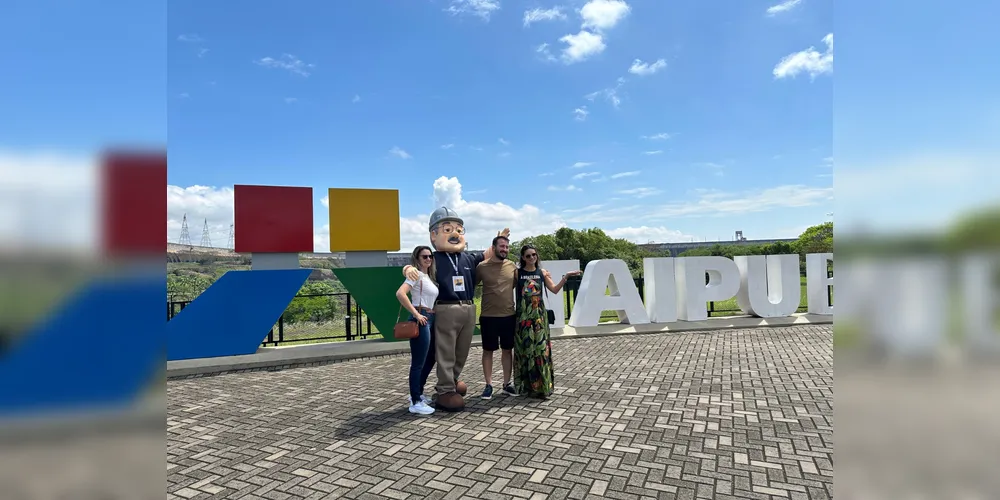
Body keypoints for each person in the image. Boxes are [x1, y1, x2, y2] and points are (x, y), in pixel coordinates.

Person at [402, 207, 508, 412]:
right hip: (445, 309)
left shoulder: (468, 258)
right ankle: (444, 390)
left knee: (462, 351)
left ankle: (452, 380)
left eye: (459, 229)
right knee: (446, 351)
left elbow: (488, 252)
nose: (455, 233)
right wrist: (407, 268)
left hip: (468, 308)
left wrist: (499, 240)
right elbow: (413, 266)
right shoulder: (432, 258)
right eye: (448, 228)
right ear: (433, 235)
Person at [513, 244, 581, 399]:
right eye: (528, 256)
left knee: (541, 350)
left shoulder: (542, 273)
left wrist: (567, 276)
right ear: (523, 258)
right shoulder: (517, 273)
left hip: (539, 318)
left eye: (534, 255)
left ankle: (542, 386)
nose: (532, 258)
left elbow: (555, 289)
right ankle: (528, 387)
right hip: (523, 318)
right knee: (526, 351)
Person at [395, 246, 440, 415]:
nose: (428, 259)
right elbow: (400, 293)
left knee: (431, 358)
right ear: (417, 259)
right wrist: (416, 314)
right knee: (418, 363)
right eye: (424, 257)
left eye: (430, 256)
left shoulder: (428, 276)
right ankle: (415, 401)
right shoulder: (416, 275)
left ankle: (418, 393)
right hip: (420, 318)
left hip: (429, 317)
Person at [474, 235, 518, 400]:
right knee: (488, 351)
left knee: (507, 350)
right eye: (501, 246)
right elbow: (471, 284)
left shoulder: (512, 266)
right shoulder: (481, 267)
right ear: (493, 248)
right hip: (488, 317)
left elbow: (518, 283)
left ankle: (506, 385)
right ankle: (488, 385)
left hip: (508, 316)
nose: (504, 250)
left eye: (507, 247)